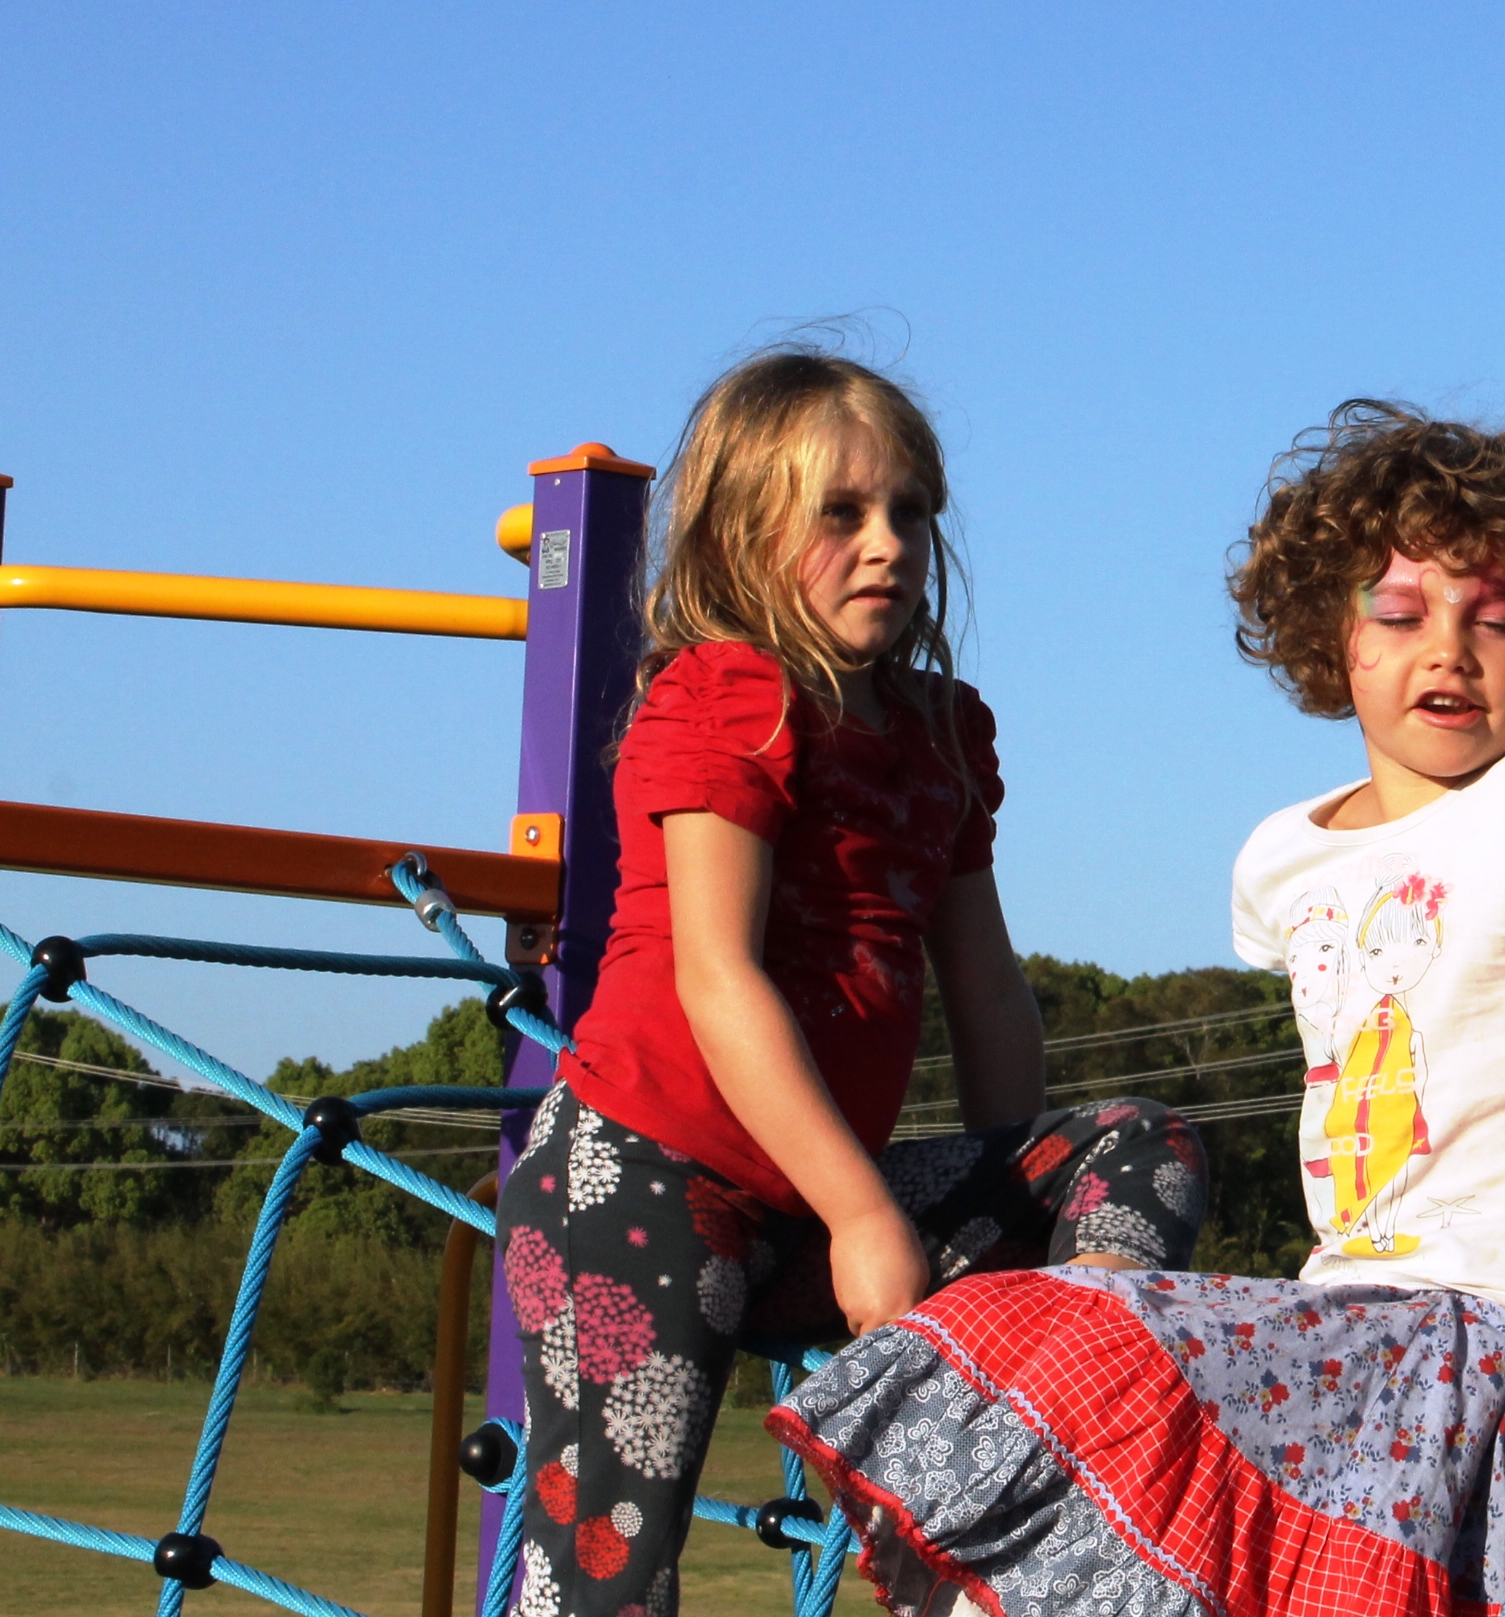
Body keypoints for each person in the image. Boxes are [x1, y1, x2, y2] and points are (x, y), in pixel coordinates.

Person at [771, 400, 1505, 1617]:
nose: (1449, 651)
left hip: (1488, 1312)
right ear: (1328, 631)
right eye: (1401, 613)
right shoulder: (1281, 856)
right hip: (1335, 1301)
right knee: (1033, 1340)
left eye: (1496, 618)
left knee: (1100, 1328)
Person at [496, 348, 1208, 1617]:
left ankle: (1055, 1413)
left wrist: (1002, 1223)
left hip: (818, 1203)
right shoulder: (731, 694)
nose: (886, 543)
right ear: (739, 537)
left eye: (910, 511)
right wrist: (863, 1214)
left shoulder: (941, 731)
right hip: (643, 1176)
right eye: (841, 512)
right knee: (610, 1561)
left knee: (1138, 1143)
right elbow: (718, 976)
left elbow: (985, 982)